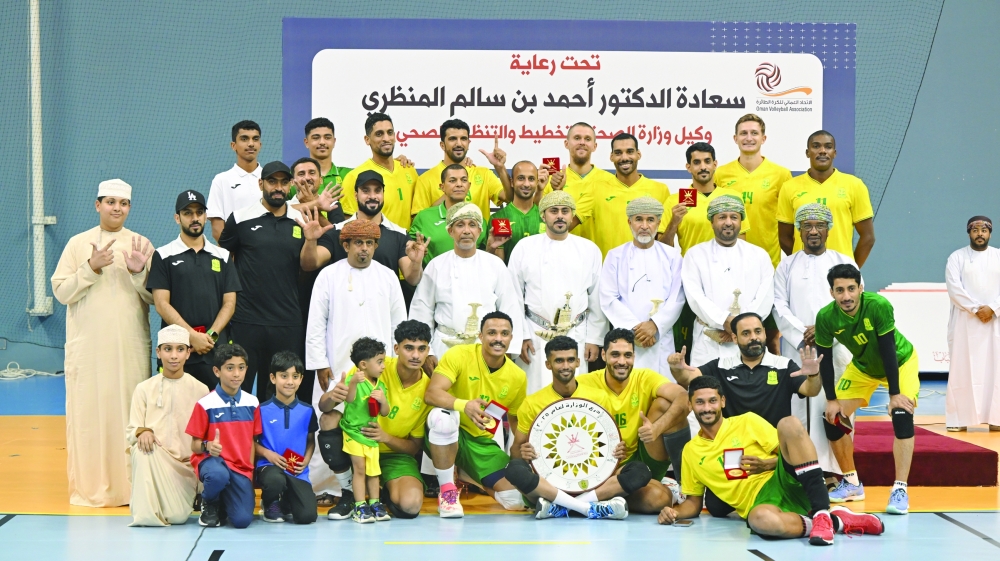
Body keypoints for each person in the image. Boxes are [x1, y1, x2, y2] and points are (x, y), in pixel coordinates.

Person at [658, 376, 885, 546]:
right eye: (699, 402)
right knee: (760, 522)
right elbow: (694, 502)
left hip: (786, 481)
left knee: (788, 424)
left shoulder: (747, 421)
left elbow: (794, 453)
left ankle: (821, 510)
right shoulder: (690, 451)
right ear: (690, 406)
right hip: (759, 505)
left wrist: (766, 464)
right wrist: (674, 511)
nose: (707, 408)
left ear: (723, 401)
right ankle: (835, 522)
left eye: (712, 401)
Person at [51, 178, 154, 507]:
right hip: (89, 350)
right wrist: (90, 268)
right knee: (90, 416)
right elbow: (61, 291)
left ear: (129, 208)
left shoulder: (141, 244)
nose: (117, 208)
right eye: (110, 202)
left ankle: (131, 487)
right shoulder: (77, 244)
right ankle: (93, 486)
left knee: (131, 414)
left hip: (130, 348)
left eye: (123, 203)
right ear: (98, 205)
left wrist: (139, 273)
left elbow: (155, 298)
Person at [305, 218, 406, 517]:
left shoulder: (388, 276)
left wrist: (392, 365)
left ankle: (372, 491)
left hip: (379, 371)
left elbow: (399, 325)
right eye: (358, 243)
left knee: (370, 426)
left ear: (376, 245)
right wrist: (320, 363)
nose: (364, 249)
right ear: (345, 245)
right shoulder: (328, 276)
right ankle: (341, 489)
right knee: (332, 422)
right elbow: (315, 323)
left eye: (370, 243)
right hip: (336, 366)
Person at [815, 264, 920, 514]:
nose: (847, 296)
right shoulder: (825, 317)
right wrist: (831, 399)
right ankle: (851, 483)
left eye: (851, 289)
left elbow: (888, 351)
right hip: (863, 367)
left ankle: (900, 489)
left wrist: (894, 394)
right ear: (831, 293)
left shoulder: (878, 305)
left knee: (902, 415)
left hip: (900, 361)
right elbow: (825, 360)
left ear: (861, 288)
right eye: (840, 290)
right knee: (832, 417)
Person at [506, 335, 641, 520]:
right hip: (549, 484)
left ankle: (563, 507)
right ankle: (588, 507)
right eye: (559, 361)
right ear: (548, 364)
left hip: (594, 482)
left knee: (640, 471)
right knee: (513, 469)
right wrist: (523, 452)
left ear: (578, 362)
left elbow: (611, 444)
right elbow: (515, 452)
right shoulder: (532, 403)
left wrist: (618, 451)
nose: (566, 366)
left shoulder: (599, 398)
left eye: (570, 360)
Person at [773, 203, 859, 474]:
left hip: (837, 346)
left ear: (828, 230)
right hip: (796, 348)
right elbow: (778, 304)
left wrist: (823, 331)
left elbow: (854, 302)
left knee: (834, 407)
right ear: (798, 230)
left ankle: (836, 471)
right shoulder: (786, 265)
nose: (813, 231)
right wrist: (801, 332)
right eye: (807, 226)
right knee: (797, 406)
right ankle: (801, 469)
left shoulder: (843, 262)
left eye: (819, 225)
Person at [423, 312, 529, 516]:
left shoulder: (518, 376)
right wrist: (465, 405)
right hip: (445, 433)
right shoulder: (459, 355)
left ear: (511, 338)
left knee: (517, 500)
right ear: (480, 336)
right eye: (492, 332)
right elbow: (432, 393)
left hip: (481, 443)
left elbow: (516, 421)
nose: (498, 338)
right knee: (442, 419)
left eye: (504, 333)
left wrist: (526, 452)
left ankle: (468, 473)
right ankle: (447, 493)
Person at [575, 329, 692, 513]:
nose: (622, 361)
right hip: (603, 467)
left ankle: (686, 485)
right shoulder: (583, 383)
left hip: (642, 461)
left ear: (634, 357)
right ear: (604, 355)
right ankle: (609, 495)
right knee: (660, 498)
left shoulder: (644, 377)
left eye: (627, 355)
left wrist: (655, 428)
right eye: (615, 355)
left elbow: (684, 398)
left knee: (664, 404)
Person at [509, 191, 607, 394]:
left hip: (576, 333)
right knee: (534, 393)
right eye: (554, 211)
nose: (560, 216)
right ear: (543, 215)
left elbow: (597, 297)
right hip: (535, 335)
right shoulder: (525, 248)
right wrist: (521, 336)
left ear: (572, 216)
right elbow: (514, 296)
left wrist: (594, 339)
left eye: (565, 211)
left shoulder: (589, 249)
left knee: (576, 395)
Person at [409, 202, 523, 372]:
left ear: (480, 231)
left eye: (472, 225)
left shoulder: (495, 265)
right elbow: (422, 310)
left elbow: (510, 307)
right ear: (450, 231)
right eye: (460, 225)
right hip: (445, 350)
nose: (467, 231)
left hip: (487, 350)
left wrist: (508, 351)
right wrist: (427, 351)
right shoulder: (436, 265)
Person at [659, 143, 748, 359]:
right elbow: (663, 249)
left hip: (727, 280)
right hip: (692, 280)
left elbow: (742, 241)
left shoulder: (731, 197)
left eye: (707, 161)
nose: (703, 167)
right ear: (688, 167)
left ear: (715, 164)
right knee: (689, 343)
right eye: (696, 162)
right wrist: (674, 222)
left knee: (731, 337)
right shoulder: (677, 199)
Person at [147, 190, 241, 390]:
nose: (195, 218)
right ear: (177, 218)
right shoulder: (163, 255)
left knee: (216, 415)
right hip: (177, 351)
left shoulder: (223, 256)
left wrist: (210, 337)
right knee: (175, 415)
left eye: (199, 212)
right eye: (188, 213)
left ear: (206, 216)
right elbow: (161, 304)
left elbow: (230, 303)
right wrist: (190, 336)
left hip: (215, 349)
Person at [126, 325, 208, 526]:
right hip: (154, 457)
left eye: (180, 349)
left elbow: (204, 439)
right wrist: (143, 431)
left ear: (189, 353)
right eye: (168, 349)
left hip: (185, 467)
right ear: (158, 352)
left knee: (178, 517)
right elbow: (131, 430)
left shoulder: (200, 390)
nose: (174, 356)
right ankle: (145, 515)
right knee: (142, 448)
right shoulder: (144, 389)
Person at [682, 195, 774, 366]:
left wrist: (740, 327)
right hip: (709, 338)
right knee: (706, 390)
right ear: (711, 222)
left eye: (734, 217)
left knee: (749, 390)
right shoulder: (695, 255)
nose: (728, 222)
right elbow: (695, 296)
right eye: (722, 217)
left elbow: (765, 296)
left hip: (749, 340)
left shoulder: (759, 255)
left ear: (741, 222)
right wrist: (723, 320)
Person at [600, 197, 685, 376]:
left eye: (650, 220)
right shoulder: (615, 256)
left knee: (663, 391)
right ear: (629, 222)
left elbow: (677, 297)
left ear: (659, 223)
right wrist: (635, 330)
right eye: (639, 219)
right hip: (627, 338)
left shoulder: (672, 256)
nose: (644, 226)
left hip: (660, 337)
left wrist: (655, 325)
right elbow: (608, 298)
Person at [299, 170, 426, 287]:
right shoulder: (337, 231)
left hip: (381, 307)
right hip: (344, 306)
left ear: (383, 194)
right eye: (365, 191)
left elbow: (412, 279)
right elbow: (309, 265)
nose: (372, 196)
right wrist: (310, 240)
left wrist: (416, 262)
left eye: (377, 191)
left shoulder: (399, 234)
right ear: (355, 195)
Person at [186, 344, 260, 529]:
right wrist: (208, 446)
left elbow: (252, 441)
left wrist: (249, 476)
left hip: (240, 469)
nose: (236, 374)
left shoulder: (253, 402)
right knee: (218, 475)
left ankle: (225, 501)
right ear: (217, 371)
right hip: (214, 464)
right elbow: (194, 445)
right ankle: (209, 503)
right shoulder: (205, 404)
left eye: (241, 368)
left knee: (242, 520)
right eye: (230, 368)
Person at [777, 131, 875, 266]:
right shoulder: (789, 187)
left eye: (828, 146)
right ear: (807, 152)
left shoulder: (855, 185)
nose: (822, 151)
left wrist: (850, 270)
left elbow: (868, 237)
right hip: (803, 270)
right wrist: (801, 262)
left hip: (840, 273)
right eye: (816, 146)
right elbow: (784, 237)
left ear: (834, 153)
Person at [575, 133, 671, 259]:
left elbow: (664, 241)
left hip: (647, 272)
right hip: (609, 271)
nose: (624, 157)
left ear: (639, 154)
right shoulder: (595, 188)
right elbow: (566, 223)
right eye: (618, 153)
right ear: (611, 156)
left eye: (630, 151)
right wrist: (557, 190)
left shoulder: (660, 189)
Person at [715, 114, 792, 268]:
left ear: (763, 138)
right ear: (735, 138)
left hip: (768, 261)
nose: (748, 138)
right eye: (743, 133)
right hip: (728, 260)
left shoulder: (781, 174)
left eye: (754, 133)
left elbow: (790, 222)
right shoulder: (720, 173)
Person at [945, 216, 1000, 431]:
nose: (980, 233)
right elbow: (954, 288)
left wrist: (993, 308)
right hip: (965, 323)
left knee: (996, 369)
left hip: (995, 322)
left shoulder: (998, 256)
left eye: (984, 230)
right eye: (975, 230)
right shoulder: (956, 257)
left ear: (990, 233)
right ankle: (960, 420)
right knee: (962, 369)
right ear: (968, 232)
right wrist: (977, 309)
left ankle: (996, 417)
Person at [254, 351, 319, 524]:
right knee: (275, 480)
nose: (290, 381)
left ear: (301, 379)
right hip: (269, 467)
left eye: (295, 376)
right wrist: (268, 454)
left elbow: (311, 441)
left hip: (296, 470)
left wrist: (306, 460)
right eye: (284, 376)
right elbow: (251, 443)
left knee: (307, 516)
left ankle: (288, 501)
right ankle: (270, 502)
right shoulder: (261, 410)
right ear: (273, 378)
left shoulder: (308, 410)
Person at [338, 338, 392, 523]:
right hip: (354, 432)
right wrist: (352, 383)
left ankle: (375, 503)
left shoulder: (381, 385)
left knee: (373, 471)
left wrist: (383, 400)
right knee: (359, 469)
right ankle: (360, 505)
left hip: (370, 435)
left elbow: (385, 412)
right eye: (379, 362)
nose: (383, 366)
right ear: (363, 364)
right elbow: (350, 400)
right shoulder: (354, 380)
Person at [412, 119, 509, 219]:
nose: (459, 144)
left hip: (480, 235)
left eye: (463, 139)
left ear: (468, 143)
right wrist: (450, 195)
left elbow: (509, 198)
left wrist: (500, 168)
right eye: (452, 139)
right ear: (442, 145)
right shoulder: (425, 179)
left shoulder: (484, 174)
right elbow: (418, 221)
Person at [339, 113, 419, 229]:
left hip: (407, 244)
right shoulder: (354, 176)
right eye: (379, 134)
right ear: (367, 140)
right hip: (375, 245)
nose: (386, 139)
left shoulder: (408, 169)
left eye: (390, 133)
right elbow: (348, 222)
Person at [548, 122, 615, 240]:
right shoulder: (552, 180)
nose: (582, 142)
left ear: (594, 146)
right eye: (577, 138)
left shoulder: (610, 181)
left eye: (587, 139)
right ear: (566, 143)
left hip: (600, 255)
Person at [409, 164, 485, 264]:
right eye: (452, 180)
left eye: (463, 180)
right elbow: (410, 251)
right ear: (442, 187)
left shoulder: (479, 219)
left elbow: (485, 256)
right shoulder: (423, 217)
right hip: (433, 278)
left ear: (469, 186)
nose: (459, 184)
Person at [207, 120, 262, 241]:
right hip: (236, 256)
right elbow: (217, 229)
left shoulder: (270, 178)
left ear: (260, 145)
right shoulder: (221, 180)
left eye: (255, 139)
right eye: (244, 139)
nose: (251, 144)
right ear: (233, 146)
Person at [485, 161, 544, 263]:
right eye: (521, 178)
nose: (526, 184)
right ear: (512, 182)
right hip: (509, 278)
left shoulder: (545, 217)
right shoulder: (499, 218)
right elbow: (498, 265)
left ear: (537, 182)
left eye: (531, 179)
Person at [302, 117, 353, 196]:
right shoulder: (294, 178)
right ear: (306, 142)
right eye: (316, 138)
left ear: (334, 141)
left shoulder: (350, 175)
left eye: (327, 138)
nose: (322, 142)